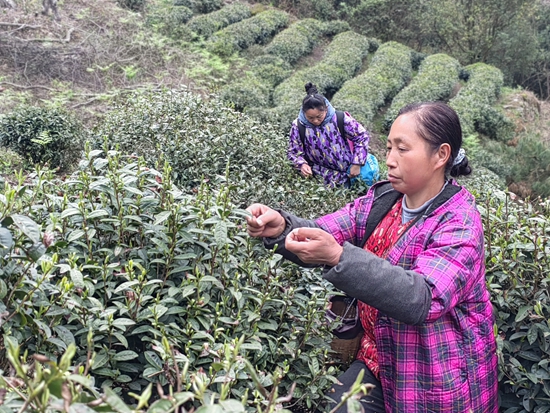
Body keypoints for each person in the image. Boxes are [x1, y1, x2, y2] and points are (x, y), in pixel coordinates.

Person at [246, 101, 498, 413]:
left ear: (440, 155)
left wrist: (339, 257)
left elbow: (422, 297)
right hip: (380, 361)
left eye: (402, 149)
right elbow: (326, 230)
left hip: (435, 381)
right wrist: (282, 228)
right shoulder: (385, 200)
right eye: (389, 147)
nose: (389, 160)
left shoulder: (459, 222)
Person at [288, 82, 372, 187]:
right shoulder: (298, 126)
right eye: (310, 118)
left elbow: (361, 136)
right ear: (304, 113)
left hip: (348, 174)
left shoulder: (339, 118)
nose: (315, 121)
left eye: (319, 116)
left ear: (326, 108)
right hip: (319, 179)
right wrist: (301, 164)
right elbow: (293, 152)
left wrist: (357, 163)